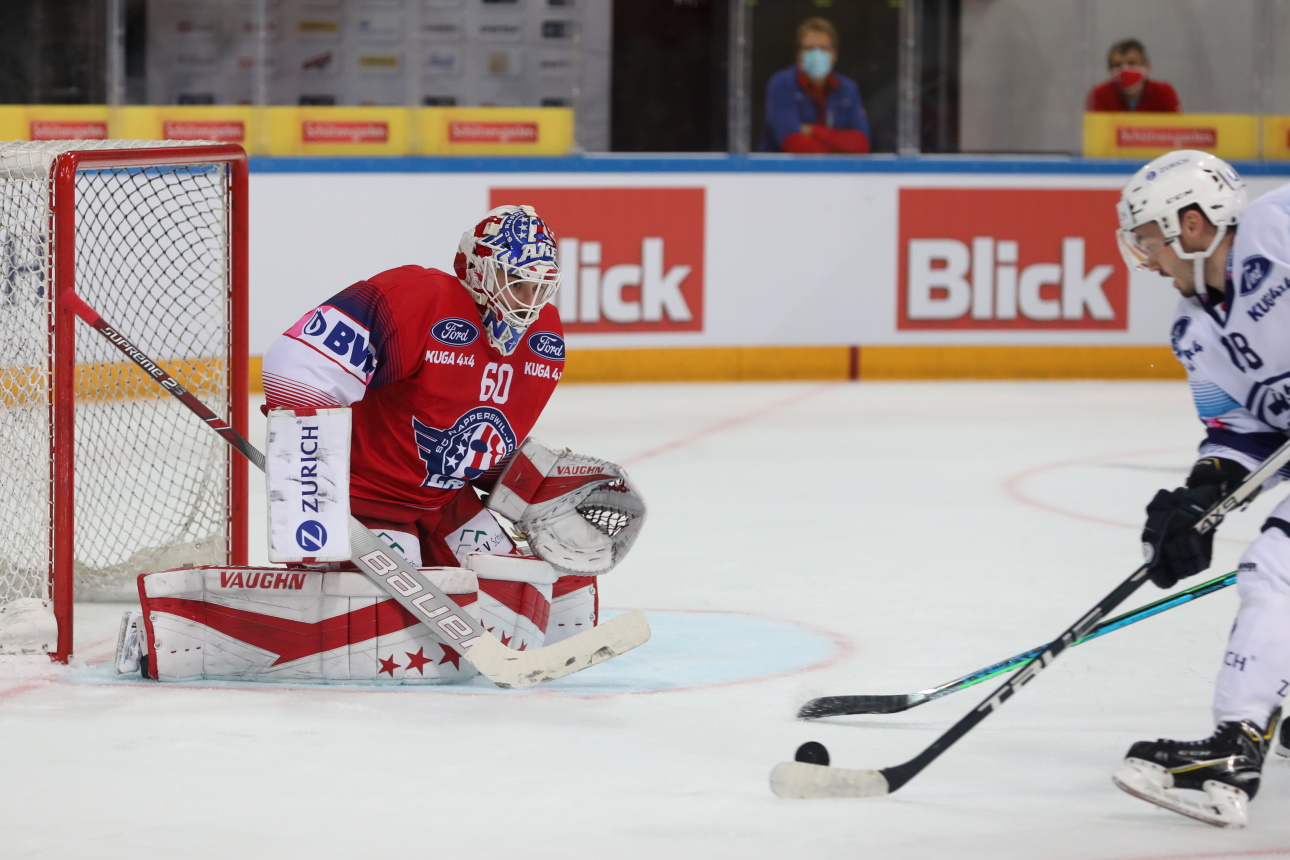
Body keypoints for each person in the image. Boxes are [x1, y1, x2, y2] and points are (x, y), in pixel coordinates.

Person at [115, 205, 645, 684]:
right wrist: (310, 495)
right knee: (394, 624)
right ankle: (183, 631)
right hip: (367, 501)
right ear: (480, 272)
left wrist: (533, 484)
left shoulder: (545, 342)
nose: (529, 302)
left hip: (443, 504)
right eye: (517, 283)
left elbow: (470, 436)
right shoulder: (418, 299)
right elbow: (296, 365)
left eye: (541, 286)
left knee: (527, 588)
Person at [1113, 150, 1290, 827]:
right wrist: (1199, 503)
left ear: (1194, 224)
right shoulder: (1194, 330)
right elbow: (1240, 431)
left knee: (1276, 567)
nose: (1147, 257)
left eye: (1150, 238)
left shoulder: (1277, 228)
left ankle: (1235, 745)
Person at [759, 16, 870, 154]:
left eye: (823, 48)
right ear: (799, 54)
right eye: (810, 48)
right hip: (786, 173)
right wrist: (838, 146)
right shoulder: (782, 84)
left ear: (834, 54)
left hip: (839, 174)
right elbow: (794, 144)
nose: (817, 54)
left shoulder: (848, 89)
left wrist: (812, 130)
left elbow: (860, 143)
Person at [1085, 38, 1180, 113]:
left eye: (1132, 63)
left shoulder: (1164, 92)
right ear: (1109, 69)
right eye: (1118, 65)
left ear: (1147, 67)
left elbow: (1175, 130)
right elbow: (1095, 134)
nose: (1124, 69)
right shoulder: (1098, 95)